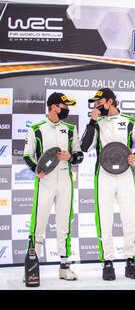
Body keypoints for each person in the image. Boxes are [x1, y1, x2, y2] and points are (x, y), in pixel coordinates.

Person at [80, 88, 135, 281]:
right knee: (105, 220)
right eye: (94, 103)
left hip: (126, 175)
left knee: (130, 219)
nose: (96, 106)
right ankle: (107, 262)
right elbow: (84, 147)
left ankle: (130, 260)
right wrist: (92, 121)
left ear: (110, 102)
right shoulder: (96, 123)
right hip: (104, 176)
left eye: (99, 102)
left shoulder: (129, 122)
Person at [23, 92, 83, 280]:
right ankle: (32, 266)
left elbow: (79, 155)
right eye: (65, 106)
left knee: (64, 225)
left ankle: (64, 267)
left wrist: (70, 157)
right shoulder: (36, 128)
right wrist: (36, 169)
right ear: (54, 106)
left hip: (65, 180)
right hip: (45, 181)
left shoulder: (70, 128)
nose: (67, 110)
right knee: (38, 224)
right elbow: (27, 155)